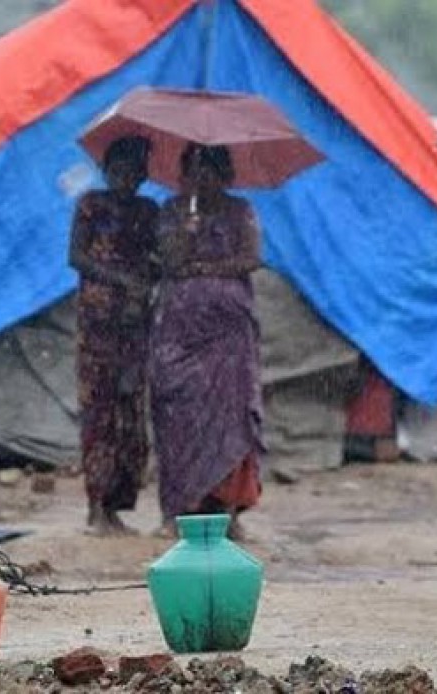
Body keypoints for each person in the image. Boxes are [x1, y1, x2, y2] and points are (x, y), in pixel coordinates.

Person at [150, 143, 264, 541]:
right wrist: (187, 231)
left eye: (214, 172)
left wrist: (206, 266)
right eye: (197, 172)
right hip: (180, 330)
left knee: (230, 419)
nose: (205, 181)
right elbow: (167, 261)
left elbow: (251, 258)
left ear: (227, 177)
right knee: (178, 414)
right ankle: (179, 509)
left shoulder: (240, 211)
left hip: (228, 335)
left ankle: (228, 511)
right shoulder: (172, 212)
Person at [69, 136, 159, 536]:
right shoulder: (90, 206)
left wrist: (149, 277)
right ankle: (95, 506)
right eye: (118, 171)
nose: (125, 179)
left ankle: (117, 505)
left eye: (133, 172)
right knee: (99, 415)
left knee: (129, 416)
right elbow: (77, 256)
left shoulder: (148, 211)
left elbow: (157, 259)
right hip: (98, 326)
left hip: (135, 324)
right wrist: (121, 278)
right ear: (107, 171)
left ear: (143, 175)